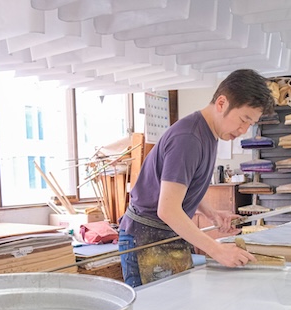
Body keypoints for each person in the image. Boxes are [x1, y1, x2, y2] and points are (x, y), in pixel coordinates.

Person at [118, 69, 275, 287]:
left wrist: (212, 214)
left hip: (167, 236)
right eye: (243, 119)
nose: (244, 130)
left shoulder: (208, 134)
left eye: (251, 123)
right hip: (146, 239)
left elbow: (181, 187)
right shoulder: (189, 138)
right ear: (221, 103)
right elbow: (168, 209)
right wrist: (217, 249)